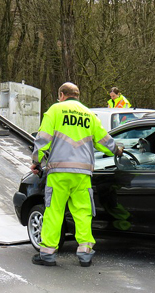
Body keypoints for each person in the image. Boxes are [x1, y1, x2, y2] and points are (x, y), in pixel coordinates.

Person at [30, 82, 123, 267]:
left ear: (62, 95)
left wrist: (36, 162)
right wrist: (117, 150)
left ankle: (47, 253)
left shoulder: (55, 111)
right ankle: (85, 253)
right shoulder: (90, 115)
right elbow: (104, 140)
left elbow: (43, 140)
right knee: (83, 213)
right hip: (82, 173)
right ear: (78, 96)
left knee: (54, 211)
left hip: (59, 172)